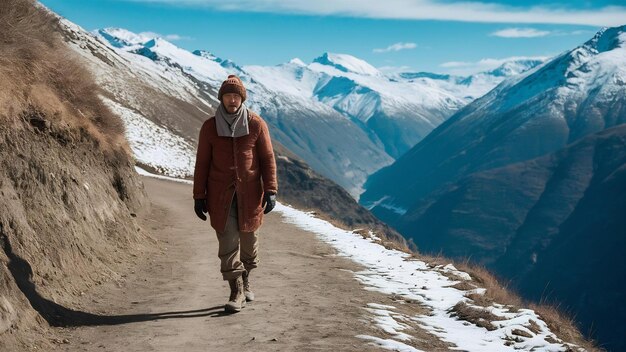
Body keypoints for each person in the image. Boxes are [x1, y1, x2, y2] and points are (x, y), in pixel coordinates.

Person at [193, 75, 278, 313]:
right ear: (221, 98)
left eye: (236, 96)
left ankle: (246, 277)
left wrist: (270, 190)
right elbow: (202, 163)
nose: (232, 100)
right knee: (228, 244)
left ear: (242, 98)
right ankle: (236, 290)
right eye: (228, 96)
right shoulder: (210, 127)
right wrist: (199, 195)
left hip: (250, 195)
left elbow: (267, 159)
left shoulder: (256, 124)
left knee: (249, 246)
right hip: (220, 197)